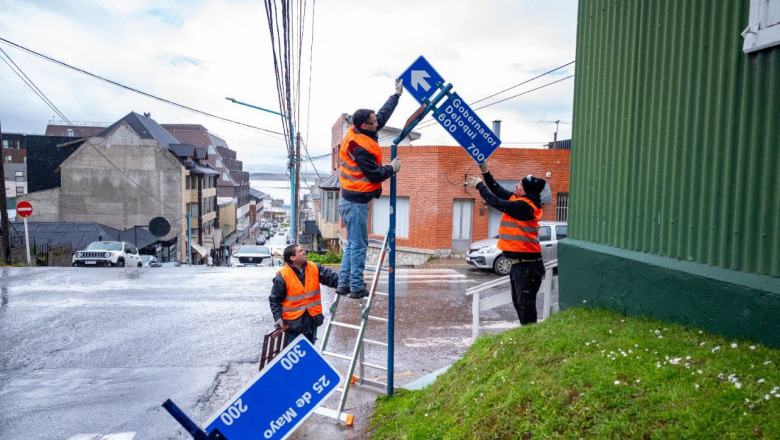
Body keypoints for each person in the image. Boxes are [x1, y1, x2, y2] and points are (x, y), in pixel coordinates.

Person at [336, 79, 404, 299]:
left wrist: (396, 95)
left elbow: (382, 115)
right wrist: (391, 169)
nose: (378, 124)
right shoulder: (357, 145)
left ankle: (344, 284)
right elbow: (374, 174)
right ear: (365, 125)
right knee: (358, 246)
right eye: (374, 123)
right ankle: (356, 287)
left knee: (352, 245)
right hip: (355, 203)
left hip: (351, 201)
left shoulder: (362, 130)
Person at [466, 160, 550, 325]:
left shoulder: (525, 207)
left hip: (528, 266)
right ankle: (527, 337)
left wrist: (479, 186)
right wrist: (486, 173)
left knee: (525, 307)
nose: (516, 185)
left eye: (520, 184)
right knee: (518, 303)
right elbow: (497, 190)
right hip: (520, 265)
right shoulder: (518, 200)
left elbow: (495, 202)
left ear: (527, 191)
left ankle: (529, 339)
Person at [269, 244, 339, 345]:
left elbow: (333, 279)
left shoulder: (314, 268)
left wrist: (353, 286)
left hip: (312, 321)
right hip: (293, 325)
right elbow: (274, 299)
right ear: (292, 258)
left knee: (309, 354)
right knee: (296, 356)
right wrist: (277, 318)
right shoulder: (283, 276)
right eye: (300, 251)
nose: (304, 252)